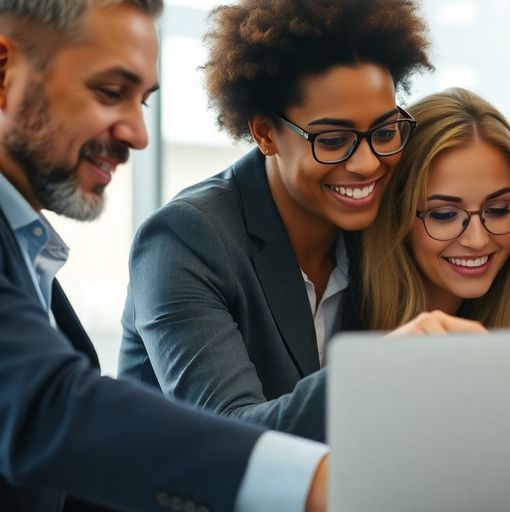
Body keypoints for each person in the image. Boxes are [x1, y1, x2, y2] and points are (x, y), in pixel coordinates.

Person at [0, 1, 329, 510]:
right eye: (109, 93)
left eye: (141, 101)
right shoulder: (190, 234)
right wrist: (313, 481)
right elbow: (47, 410)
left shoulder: (18, 241)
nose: (138, 136)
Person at [118, 0, 483, 442]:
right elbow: (232, 437)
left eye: (384, 132)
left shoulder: (378, 226)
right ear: (265, 134)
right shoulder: (185, 239)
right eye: (333, 140)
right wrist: (381, 368)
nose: (368, 164)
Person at [362, 87, 510, 331]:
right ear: (397, 216)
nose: (477, 240)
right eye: (445, 215)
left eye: (498, 210)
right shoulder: (334, 322)